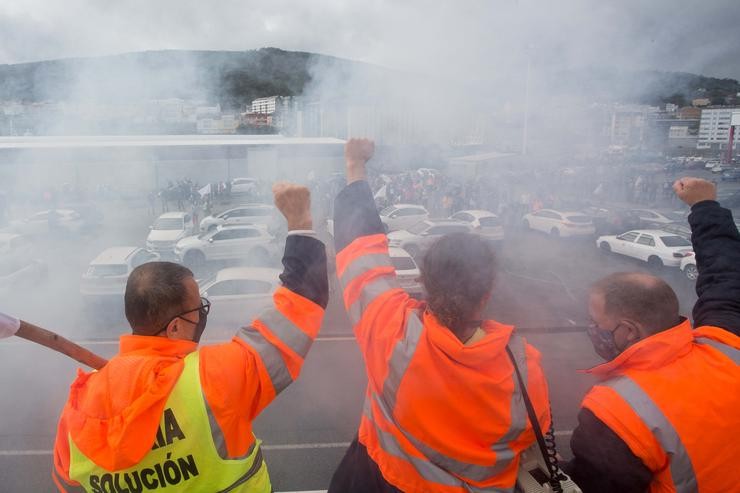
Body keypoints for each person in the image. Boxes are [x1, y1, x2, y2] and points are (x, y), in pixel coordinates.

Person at [52, 183, 328, 492]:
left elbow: (69, 481)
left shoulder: (79, 406)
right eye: (199, 307)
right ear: (174, 327)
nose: (203, 314)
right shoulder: (213, 378)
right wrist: (300, 222)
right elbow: (300, 308)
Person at [328, 139, 551, 493]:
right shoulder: (525, 367)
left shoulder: (393, 332)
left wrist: (356, 166)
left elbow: (360, 254)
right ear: (488, 292)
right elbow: (529, 433)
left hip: (383, 482)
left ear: (425, 283)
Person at [565, 177, 740, 492]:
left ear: (630, 330)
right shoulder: (726, 342)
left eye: (595, 321)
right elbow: (726, 275)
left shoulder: (615, 412)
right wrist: (705, 206)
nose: (591, 329)